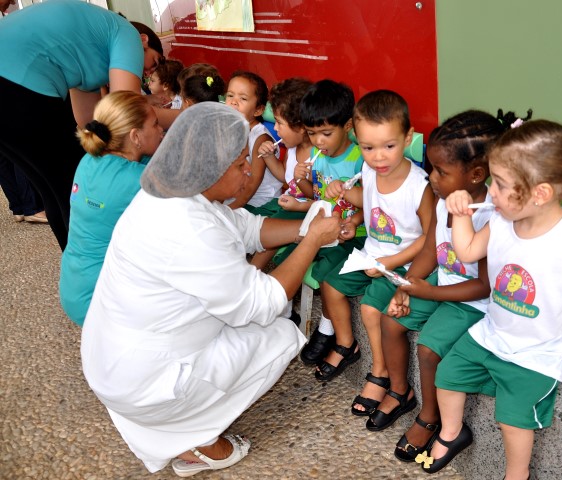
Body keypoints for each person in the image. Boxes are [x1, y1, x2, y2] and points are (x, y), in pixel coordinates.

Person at [80, 102, 341, 476]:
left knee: (254, 320)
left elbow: (248, 229)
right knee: (280, 332)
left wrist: (307, 228)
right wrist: (312, 242)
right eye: (239, 165)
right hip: (143, 382)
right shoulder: (189, 229)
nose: (249, 170)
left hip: (112, 361)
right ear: (209, 170)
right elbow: (265, 300)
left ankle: (175, 423)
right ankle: (197, 440)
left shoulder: (172, 193)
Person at [422, 119, 562, 476]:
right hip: (493, 332)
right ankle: (452, 432)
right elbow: (469, 251)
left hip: (539, 350)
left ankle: (516, 473)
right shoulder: (502, 219)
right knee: (447, 375)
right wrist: (459, 215)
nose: (490, 192)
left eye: (501, 185)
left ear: (541, 193)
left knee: (513, 420)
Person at [371, 110, 524, 456]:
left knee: (428, 348)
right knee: (389, 319)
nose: (431, 177)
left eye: (440, 171)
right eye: (431, 167)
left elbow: (484, 286)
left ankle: (429, 418)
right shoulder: (444, 200)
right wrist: (407, 284)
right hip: (441, 282)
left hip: (472, 302)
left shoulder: (490, 217)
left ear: (476, 174)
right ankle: (399, 391)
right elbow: (430, 248)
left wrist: (431, 292)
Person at [0, 0, 165, 250]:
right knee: (72, 185)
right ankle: (92, 265)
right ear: (145, 40)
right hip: (16, 80)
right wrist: (186, 114)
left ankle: (77, 265)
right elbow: (125, 113)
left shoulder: (89, 49)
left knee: (54, 187)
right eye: (155, 61)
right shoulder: (128, 34)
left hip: (12, 79)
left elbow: (89, 122)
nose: (149, 72)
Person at [314, 90, 435, 417]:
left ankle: (381, 375)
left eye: (388, 146)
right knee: (332, 284)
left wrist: (388, 263)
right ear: (357, 139)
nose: (378, 157)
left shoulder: (418, 186)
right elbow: (373, 205)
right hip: (371, 255)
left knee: (370, 311)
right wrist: (352, 213)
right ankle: (354, 352)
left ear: (407, 137)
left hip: (404, 263)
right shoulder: (370, 171)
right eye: (368, 148)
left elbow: (430, 238)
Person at [59, 91, 164, 327]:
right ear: (135, 137)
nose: (161, 130)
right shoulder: (139, 181)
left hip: (73, 289)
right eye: (156, 124)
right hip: (102, 303)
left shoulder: (89, 159)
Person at [289, 79, 368, 365]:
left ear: (347, 126)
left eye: (325, 133)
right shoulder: (315, 156)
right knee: (299, 251)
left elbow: (373, 205)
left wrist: (353, 218)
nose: (319, 142)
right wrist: (301, 180)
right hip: (324, 228)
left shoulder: (360, 159)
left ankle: (326, 329)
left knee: (325, 265)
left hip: (353, 233)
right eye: (312, 134)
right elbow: (316, 194)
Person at [249, 77, 314, 270]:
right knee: (255, 223)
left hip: (305, 211)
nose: (275, 129)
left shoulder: (318, 155)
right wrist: (269, 158)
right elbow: (285, 177)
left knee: (272, 228)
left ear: (301, 126)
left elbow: (317, 196)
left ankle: (252, 271)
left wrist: (300, 180)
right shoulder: (292, 147)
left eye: (279, 123)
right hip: (287, 203)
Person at [224, 71, 283, 212]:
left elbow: (253, 182)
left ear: (258, 110)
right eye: (230, 95)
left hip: (261, 204)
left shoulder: (260, 138)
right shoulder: (228, 129)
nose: (233, 101)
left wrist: (229, 209)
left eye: (243, 99)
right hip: (237, 197)